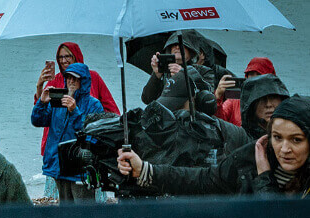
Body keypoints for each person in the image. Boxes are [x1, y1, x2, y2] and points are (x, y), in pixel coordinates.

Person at [117, 95, 310, 198]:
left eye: (296, 140)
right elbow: (204, 179)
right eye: (277, 137)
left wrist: (264, 177)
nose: (284, 149)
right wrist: (145, 170)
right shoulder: (252, 156)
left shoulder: (263, 166)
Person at [31, 63, 104, 202]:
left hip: (81, 168)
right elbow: (37, 121)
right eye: (68, 77)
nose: (71, 81)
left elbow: (92, 135)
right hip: (59, 165)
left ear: (83, 81)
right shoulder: (58, 102)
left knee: (83, 210)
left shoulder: (93, 104)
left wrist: (74, 111)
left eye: (75, 79)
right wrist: (42, 102)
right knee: (65, 208)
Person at [34, 42, 119, 156]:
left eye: (67, 56)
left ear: (76, 56)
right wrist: (39, 86)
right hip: (55, 145)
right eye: (60, 57)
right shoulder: (54, 80)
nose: (63, 61)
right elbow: (41, 113)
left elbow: (111, 109)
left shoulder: (93, 78)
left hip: (82, 145)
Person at [154, 68, 252, 162]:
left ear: (199, 102)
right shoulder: (160, 132)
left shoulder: (228, 133)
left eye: (177, 108)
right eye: (168, 108)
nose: (172, 114)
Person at [140, 31, 231, 105]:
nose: (177, 47)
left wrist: (184, 76)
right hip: (167, 118)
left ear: (191, 50)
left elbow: (207, 99)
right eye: (173, 44)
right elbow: (147, 99)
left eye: (182, 45)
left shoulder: (204, 71)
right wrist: (156, 75)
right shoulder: (165, 71)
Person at [215, 58, 278, 127]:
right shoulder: (235, 100)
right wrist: (218, 96)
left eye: (259, 74)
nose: (254, 78)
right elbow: (218, 121)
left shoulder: (277, 102)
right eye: (251, 74)